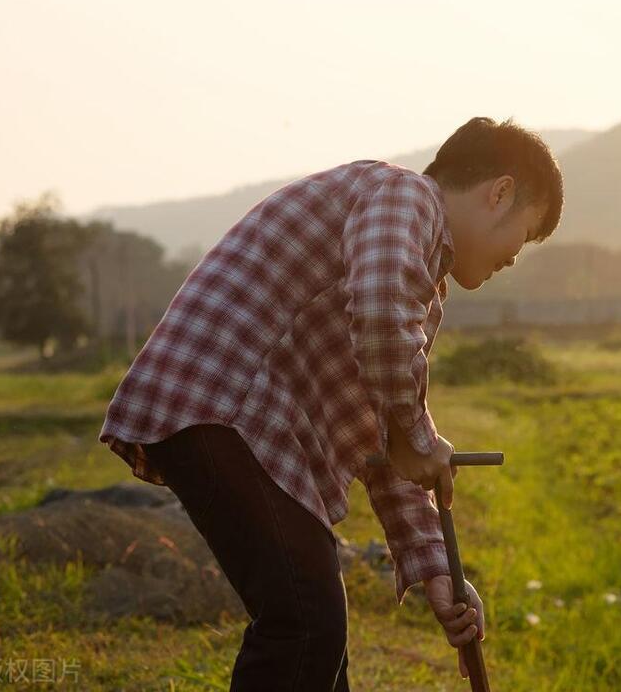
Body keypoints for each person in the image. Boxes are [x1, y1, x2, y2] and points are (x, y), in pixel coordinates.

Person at [97, 116, 563, 690]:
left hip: (244, 425)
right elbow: (381, 323)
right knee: (304, 622)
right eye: (526, 233)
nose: (515, 257)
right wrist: (417, 435)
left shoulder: (416, 274)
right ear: (500, 192)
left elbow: (382, 423)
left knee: (317, 647)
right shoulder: (404, 198)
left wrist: (436, 564)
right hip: (223, 403)